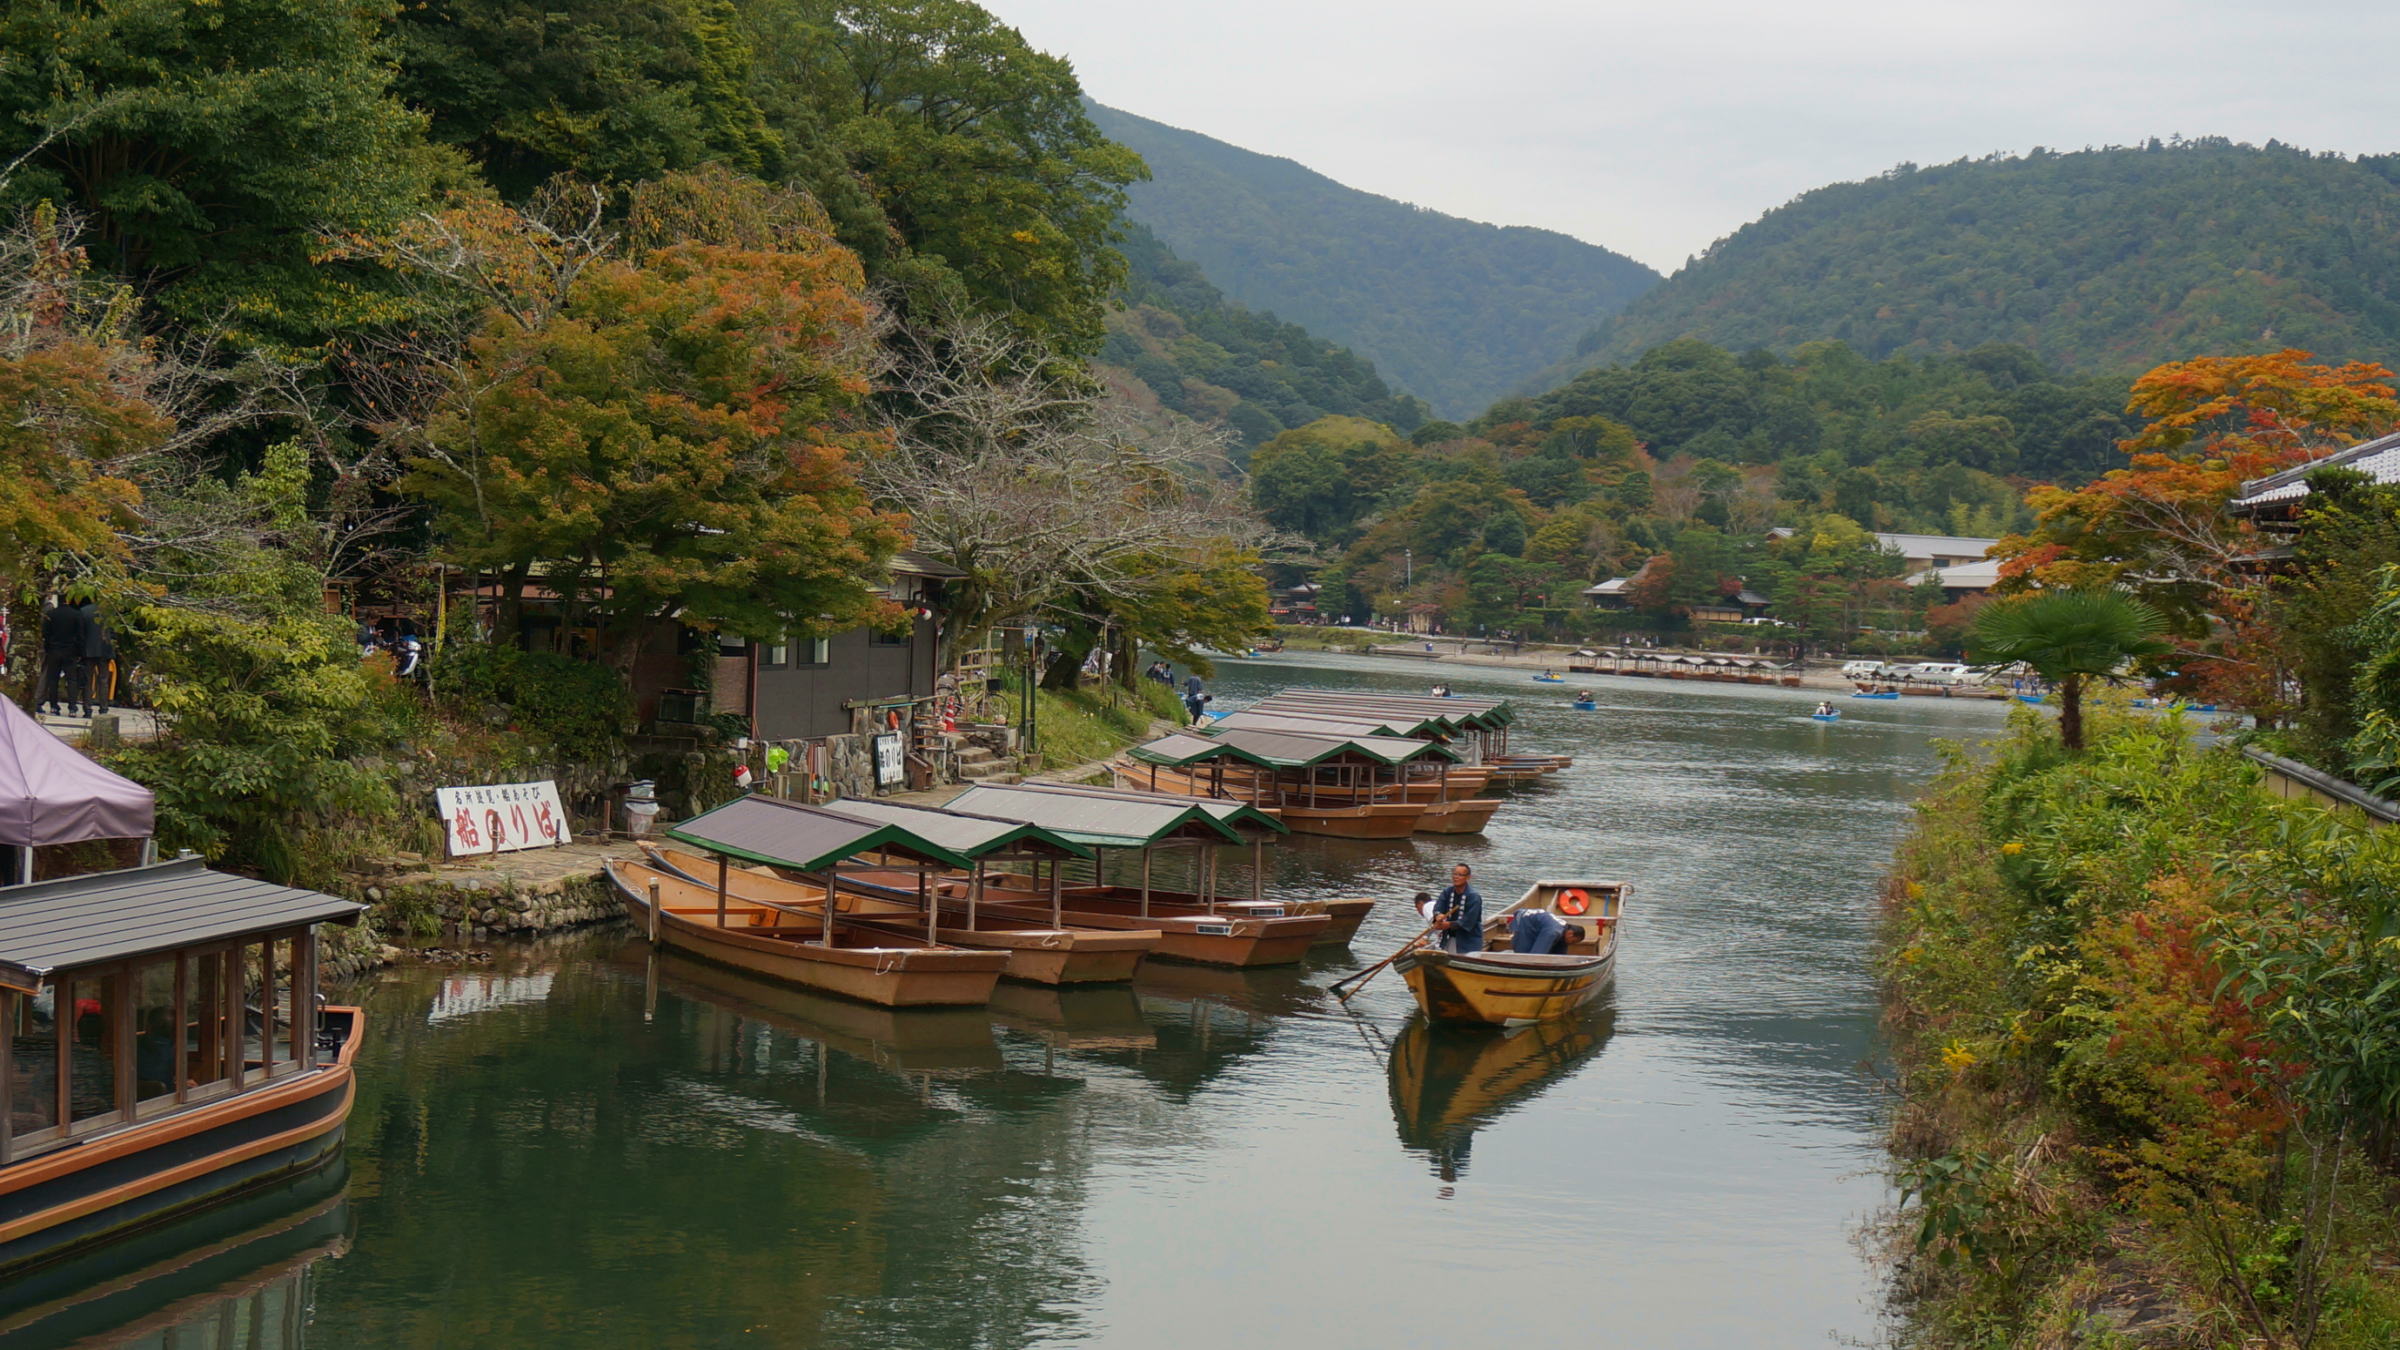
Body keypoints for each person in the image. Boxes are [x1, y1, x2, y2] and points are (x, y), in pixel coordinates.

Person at [37, 597, 84, 718]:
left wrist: (49, 647)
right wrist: (79, 652)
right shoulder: (76, 614)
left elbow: (45, 633)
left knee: (53, 679)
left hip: (54, 650)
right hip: (70, 651)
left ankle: (53, 706)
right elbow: (80, 635)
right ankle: (72, 707)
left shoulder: (51, 614)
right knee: (72, 680)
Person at [1427, 864, 1483, 955]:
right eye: (1454, 874)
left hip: (1468, 941)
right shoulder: (1447, 892)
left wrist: (1448, 924)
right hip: (1450, 937)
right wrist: (1438, 915)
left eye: (1460, 875)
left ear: (1468, 877)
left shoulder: (1473, 897)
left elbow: (1468, 921)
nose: (1456, 877)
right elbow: (1438, 907)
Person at [1507, 909, 1587, 955]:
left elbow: (1560, 953)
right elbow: (1537, 955)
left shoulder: (1562, 929)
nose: (1571, 944)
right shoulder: (1553, 932)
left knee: (1560, 945)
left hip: (1536, 923)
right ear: (1570, 934)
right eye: (1573, 941)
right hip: (1524, 922)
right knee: (1524, 955)